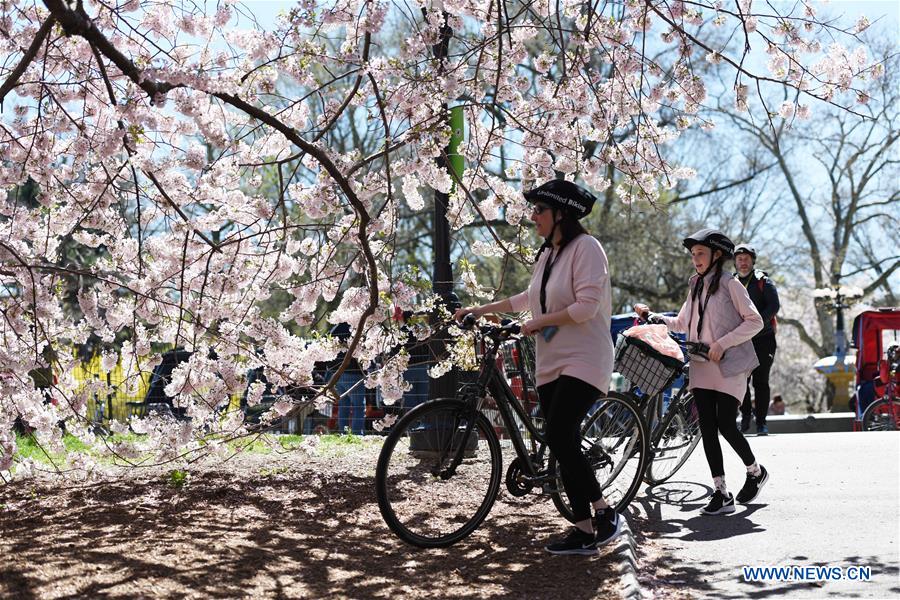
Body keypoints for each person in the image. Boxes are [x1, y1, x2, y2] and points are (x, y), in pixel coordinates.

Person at [455, 179, 619, 556]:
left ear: (561, 213)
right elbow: (528, 298)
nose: (533, 218)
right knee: (560, 440)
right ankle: (582, 530)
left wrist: (536, 323)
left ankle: (604, 512)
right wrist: (481, 310)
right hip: (550, 361)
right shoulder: (547, 255)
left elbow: (585, 308)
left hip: (586, 356)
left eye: (539, 211)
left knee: (561, 432)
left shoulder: (587, 248)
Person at [635, 229, 769, 515]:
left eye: (700, 254)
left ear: (717, 255)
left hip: (729, 364)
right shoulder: (695, 284)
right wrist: (655, 317)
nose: (695, 259)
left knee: (725, 424)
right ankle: (721, 493)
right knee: (707, 426)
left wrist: (722, 343)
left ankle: (755, 472)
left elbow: (755, 321)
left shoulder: (730, 283)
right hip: (700, 363)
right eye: (693, 254)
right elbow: (683, 322)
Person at [733, 244, 781, 435]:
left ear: (753, 261)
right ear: (735, 262)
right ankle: (745, 414)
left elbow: (774, 306)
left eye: (746, 259)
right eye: (739, 259)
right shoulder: (731, 282)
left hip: (764, 339)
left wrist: (756, 324)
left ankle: (761, 423)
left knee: (760, 382)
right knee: (740, 380)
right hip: (740, 340)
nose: (743, 262)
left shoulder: (763, 281)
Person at [329, 322, 366, 435]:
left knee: (343, 406)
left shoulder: (334, 329)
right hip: (354, 373)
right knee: (358, 407)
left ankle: (343, 433)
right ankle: (356, 434)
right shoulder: (355, 327)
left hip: (338, 373)